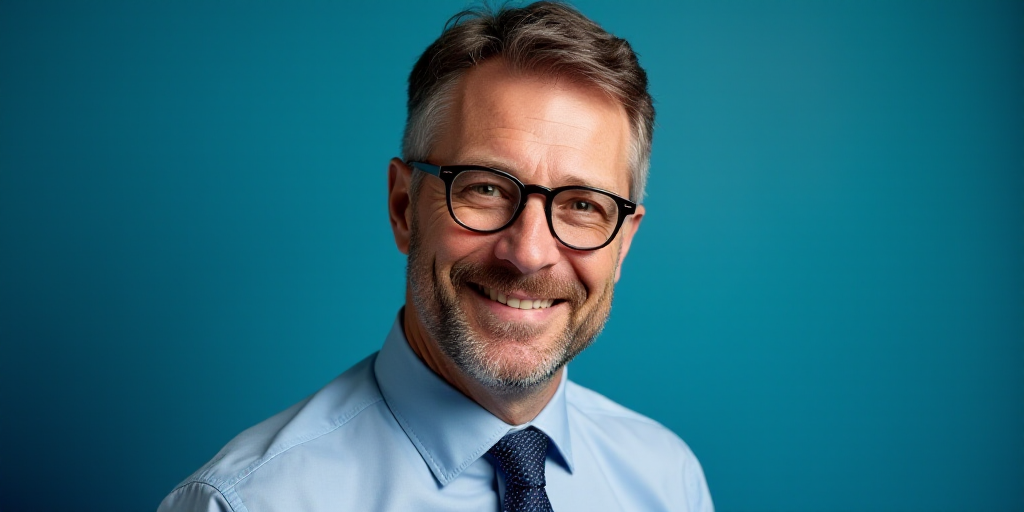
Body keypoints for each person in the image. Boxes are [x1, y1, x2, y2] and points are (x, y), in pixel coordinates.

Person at [158, 2, 713, 511]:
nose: (529, 253)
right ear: (404, 207)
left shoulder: (666, 480)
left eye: (581, 205)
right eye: (486, 188)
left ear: (623, 244)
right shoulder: (248, 502)